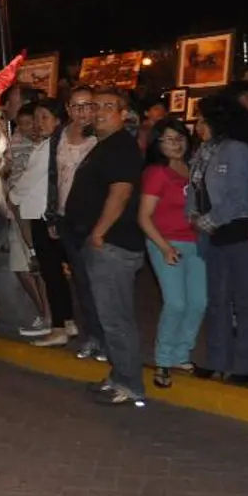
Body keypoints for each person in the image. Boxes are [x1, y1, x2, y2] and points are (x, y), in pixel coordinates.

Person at [63, 87, 146, 406]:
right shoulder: (106, 145)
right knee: (109, 315)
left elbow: (121, 192)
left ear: (124, 114)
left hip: (112, 246)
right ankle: (119, 375)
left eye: (108, 107)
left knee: (115, 318)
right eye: (95, 106)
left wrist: (99, 233)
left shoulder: (120, 146)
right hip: (101, 244)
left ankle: (129, 385)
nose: (98, 111)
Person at [187, 94, 248, 385]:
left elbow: (240, 195)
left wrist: (211, 219)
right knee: (216, 301)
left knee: (243, 302)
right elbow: (193, 189)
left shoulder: (238, 150)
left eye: (203, 119)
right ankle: (216, 359)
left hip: (238, 231)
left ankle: (244, 365)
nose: (198, 125)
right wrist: (192, 215)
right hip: (211, 235)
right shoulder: (204, 151)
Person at [137, 118, 204, 387]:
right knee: (176, 303)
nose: (176, 144)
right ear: (158, 143)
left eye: (180, 138)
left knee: (198, 302)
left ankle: (181, 353)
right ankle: (163, 360)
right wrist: (164, 247)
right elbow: (144, 216)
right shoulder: (157, 173)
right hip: (165, 242)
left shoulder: (192, 169)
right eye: (169, 139)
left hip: (196, 242)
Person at [41, 84, 101, 357]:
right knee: (81, 282)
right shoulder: (59, 135)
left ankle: (106, 339)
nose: (82, 111)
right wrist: (52, 215)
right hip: (66, 219)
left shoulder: (102, 135)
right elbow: (53, 178)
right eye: (76, 106)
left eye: (88, 105)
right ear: (68, 109)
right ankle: (92, 337)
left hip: (95, 220)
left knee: (101, 283)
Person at [13, 98, 76, 345]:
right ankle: (67, 322)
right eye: (37, 118)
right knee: (55, 276)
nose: (38, 124)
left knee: (52, 275)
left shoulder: (51, 147)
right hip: (42, 215)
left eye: (44, 118)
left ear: (58, 121)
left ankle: (59, 327)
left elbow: (26, 182)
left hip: (43, 217)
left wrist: (12, 195)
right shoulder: (48, 145)